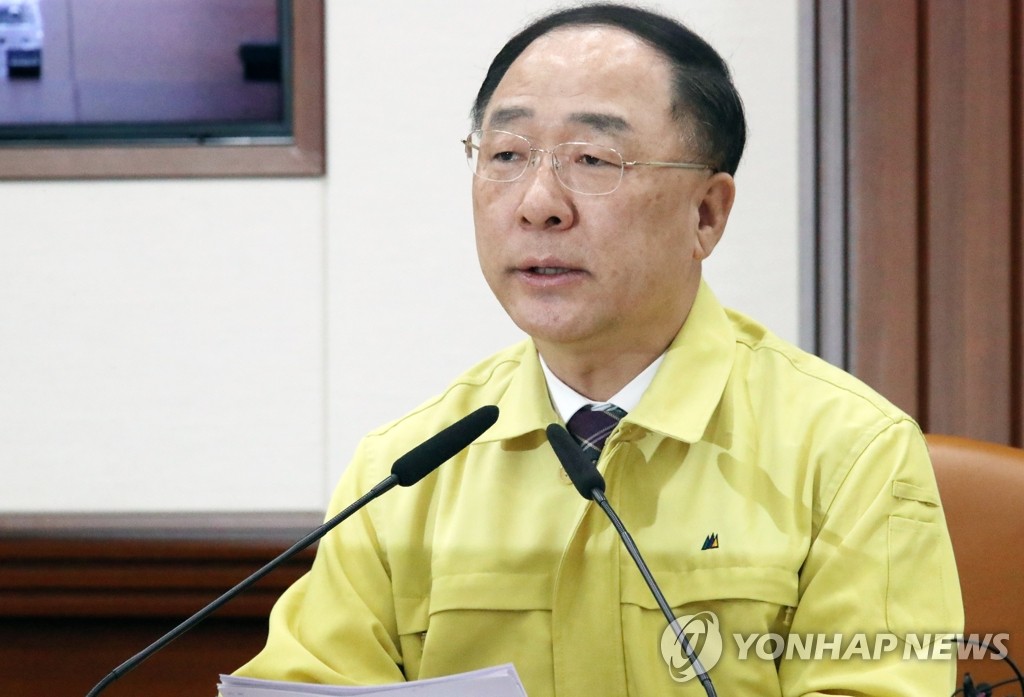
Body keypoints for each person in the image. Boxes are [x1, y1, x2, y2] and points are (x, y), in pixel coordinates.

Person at [235, 4, 963, 695]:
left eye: (592, 159)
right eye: (506, 154)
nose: (538, 203)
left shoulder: (848, 455)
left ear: (706, 214)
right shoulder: (406, 470)